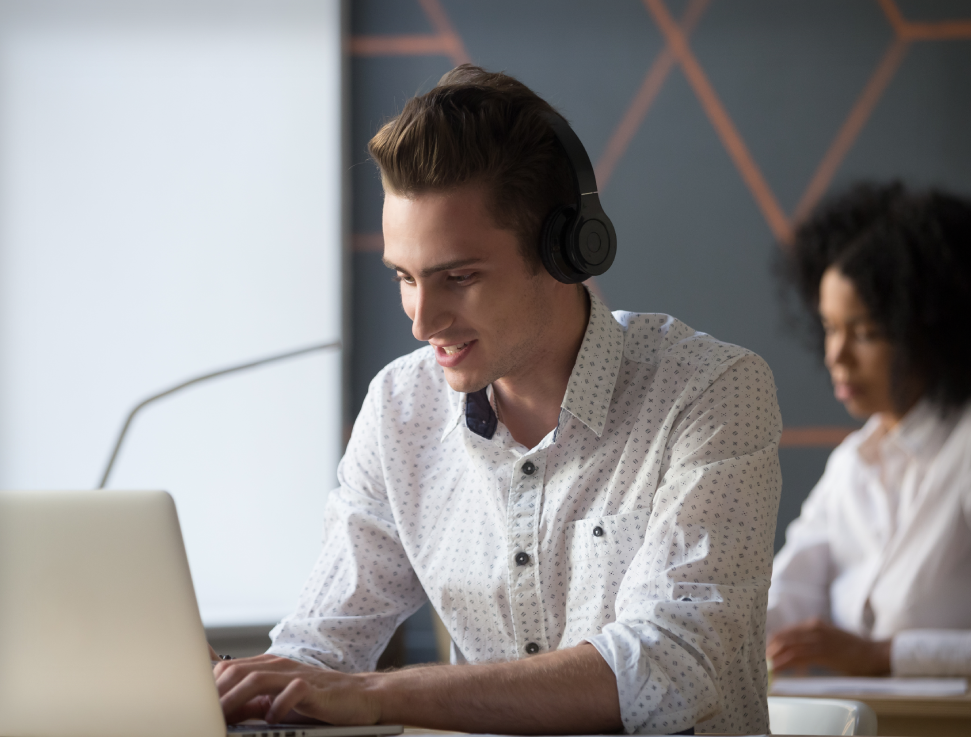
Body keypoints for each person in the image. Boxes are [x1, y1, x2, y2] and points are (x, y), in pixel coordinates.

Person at [214, 65, 783, 735]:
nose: (422, 322)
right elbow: (320, 647)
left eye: (459, 277)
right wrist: (242, 687)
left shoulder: (712, 390)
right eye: (404, 277)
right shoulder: (401, 407)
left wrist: (376, 693)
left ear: (567, 250)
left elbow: (670, 666)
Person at [767, 182, 971, 677]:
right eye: (831, 328)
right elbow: (783, 598)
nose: (835, 355)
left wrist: (885, 656)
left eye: (864, 333)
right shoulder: (852, 463)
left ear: (927, 329)